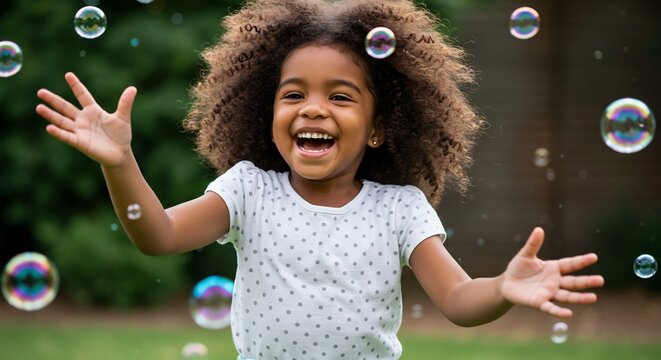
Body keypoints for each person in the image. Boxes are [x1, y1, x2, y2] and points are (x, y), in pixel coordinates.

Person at [35, 0, 604, 359]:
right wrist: (119, 162)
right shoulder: (248, 191)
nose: (312, 109)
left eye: (339, 96)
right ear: (268, 114)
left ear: (379, 127)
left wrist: (502, 289)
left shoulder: (400, 209)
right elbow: (155, 235)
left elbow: (456, 299)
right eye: (293, 95)